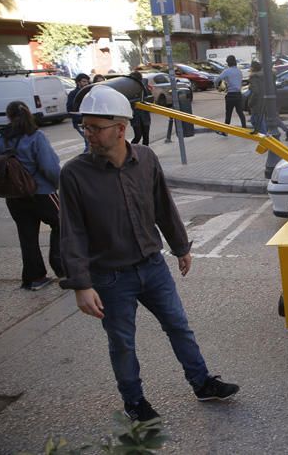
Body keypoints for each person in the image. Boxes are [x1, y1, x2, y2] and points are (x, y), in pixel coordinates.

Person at [58, 86, 239, 422]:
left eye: (96, 128)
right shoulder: (74, 174)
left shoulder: (147, 160)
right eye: (85, 127)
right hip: (110, 277)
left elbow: (163, 207)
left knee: (179, 327)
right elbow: (72, 233)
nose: (89, 135)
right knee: (123, 343)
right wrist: (81, 284)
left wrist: (181, 247)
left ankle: (201, 383)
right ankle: (135, 402)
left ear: (120, 129)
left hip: (153, 266)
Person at [0, 101, 63, 291]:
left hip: (14, 195)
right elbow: (49, 167)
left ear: (8, 117)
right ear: (29, 114)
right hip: (41, 192)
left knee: (27, 235)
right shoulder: (36, 136)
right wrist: (59, 185)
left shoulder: (1, 139)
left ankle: (34, 278)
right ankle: (62, 267)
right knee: (63, 223)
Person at [248, 61, 288, 140]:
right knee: (272, 117)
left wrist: (250, 92)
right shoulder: (268, 75)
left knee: (258, 119)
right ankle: (286, 130)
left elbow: (256, 91)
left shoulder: (255, 77)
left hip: (261, 101)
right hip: (270, 98)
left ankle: (266, 137)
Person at [214, 55, 245, 135]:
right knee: (240, 112)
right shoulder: (239, 71)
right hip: (238, 95)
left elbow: (217, 80)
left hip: (230, 95)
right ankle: (245, 130)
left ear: (228, 62)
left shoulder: (227, 71)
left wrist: (217, 86)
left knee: (228, 114)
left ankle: (225, 132)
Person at [66, 73, 90, 152]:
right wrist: (80, 117)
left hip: (89, 121)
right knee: (89, 143)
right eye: (84, 81)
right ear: (78, 82)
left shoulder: (88, 91)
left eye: (87, 82)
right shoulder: (73, 94)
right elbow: (70, 109)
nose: (86, 83)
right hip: (80, 122)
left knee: (90, 142)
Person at [127, 71, 151, 146]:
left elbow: (149, 98)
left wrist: (144, 87)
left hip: (144, 115)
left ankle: (145, 153)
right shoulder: (129, 89)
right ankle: (131, 150)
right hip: (135, 116)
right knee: (138, 136)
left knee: (146, 137)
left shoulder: (143, 87)